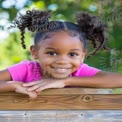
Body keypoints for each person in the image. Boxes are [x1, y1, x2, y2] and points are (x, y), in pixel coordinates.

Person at [0, 9, 122, 99]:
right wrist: (14, 85)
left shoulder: (79, 72)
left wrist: (66, 81)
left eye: (72, 54)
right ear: (35, 52)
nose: (62, 61)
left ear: (83, 55)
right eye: (52, 53)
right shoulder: (27, 69)